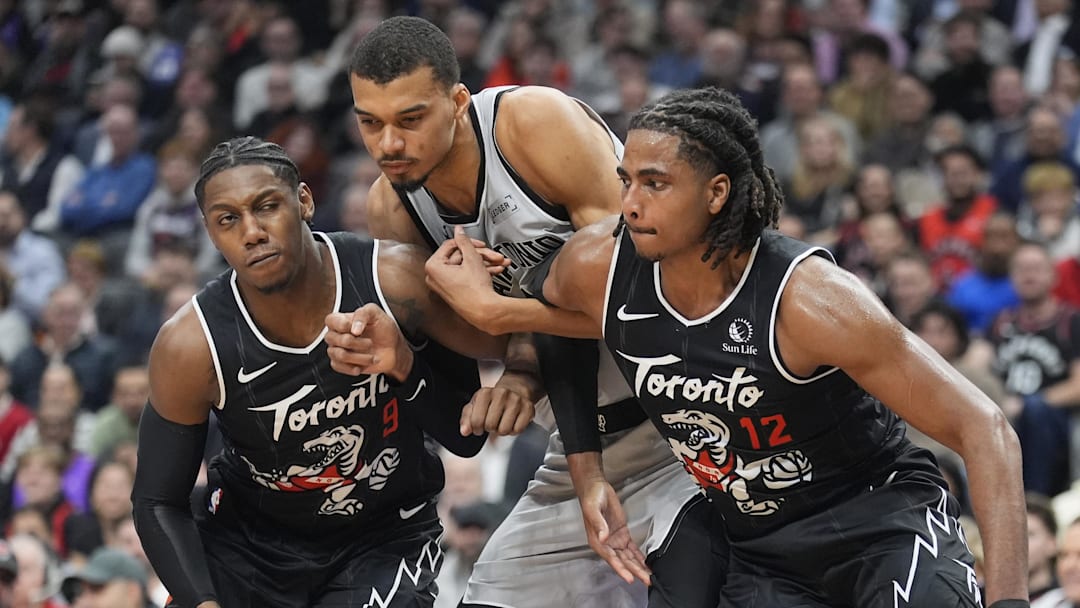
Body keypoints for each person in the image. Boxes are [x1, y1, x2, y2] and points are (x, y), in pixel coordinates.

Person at [420, 87, 1028, 607]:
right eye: (625, 181)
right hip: (763, 552)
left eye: (655, 185)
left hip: (877, 523)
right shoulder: (595, 265)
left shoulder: (811, 301)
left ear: (716, 193)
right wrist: (491, 309)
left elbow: (986, 428)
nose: (630, 204)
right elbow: (584, 324)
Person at [342, 16, 717, 608]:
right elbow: (484, 346)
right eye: (370, 123)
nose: (388, 144)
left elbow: (631, 298)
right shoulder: (393, 211)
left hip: (690, 417)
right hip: (579, 443)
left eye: (410, 120)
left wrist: (508, 333)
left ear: (458, 102)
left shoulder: (535, 125)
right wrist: (404, 357)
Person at [131, 137, 535, 608]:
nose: (252, 232)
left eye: (266, 207)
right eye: (228, 220)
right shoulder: (191, 344)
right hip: (249, 546)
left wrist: (404, 364)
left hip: (384, 533)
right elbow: (157, 501)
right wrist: (201, 602)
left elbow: (465, 438)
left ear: (304, 200)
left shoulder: (393, 279)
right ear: (209, 231)